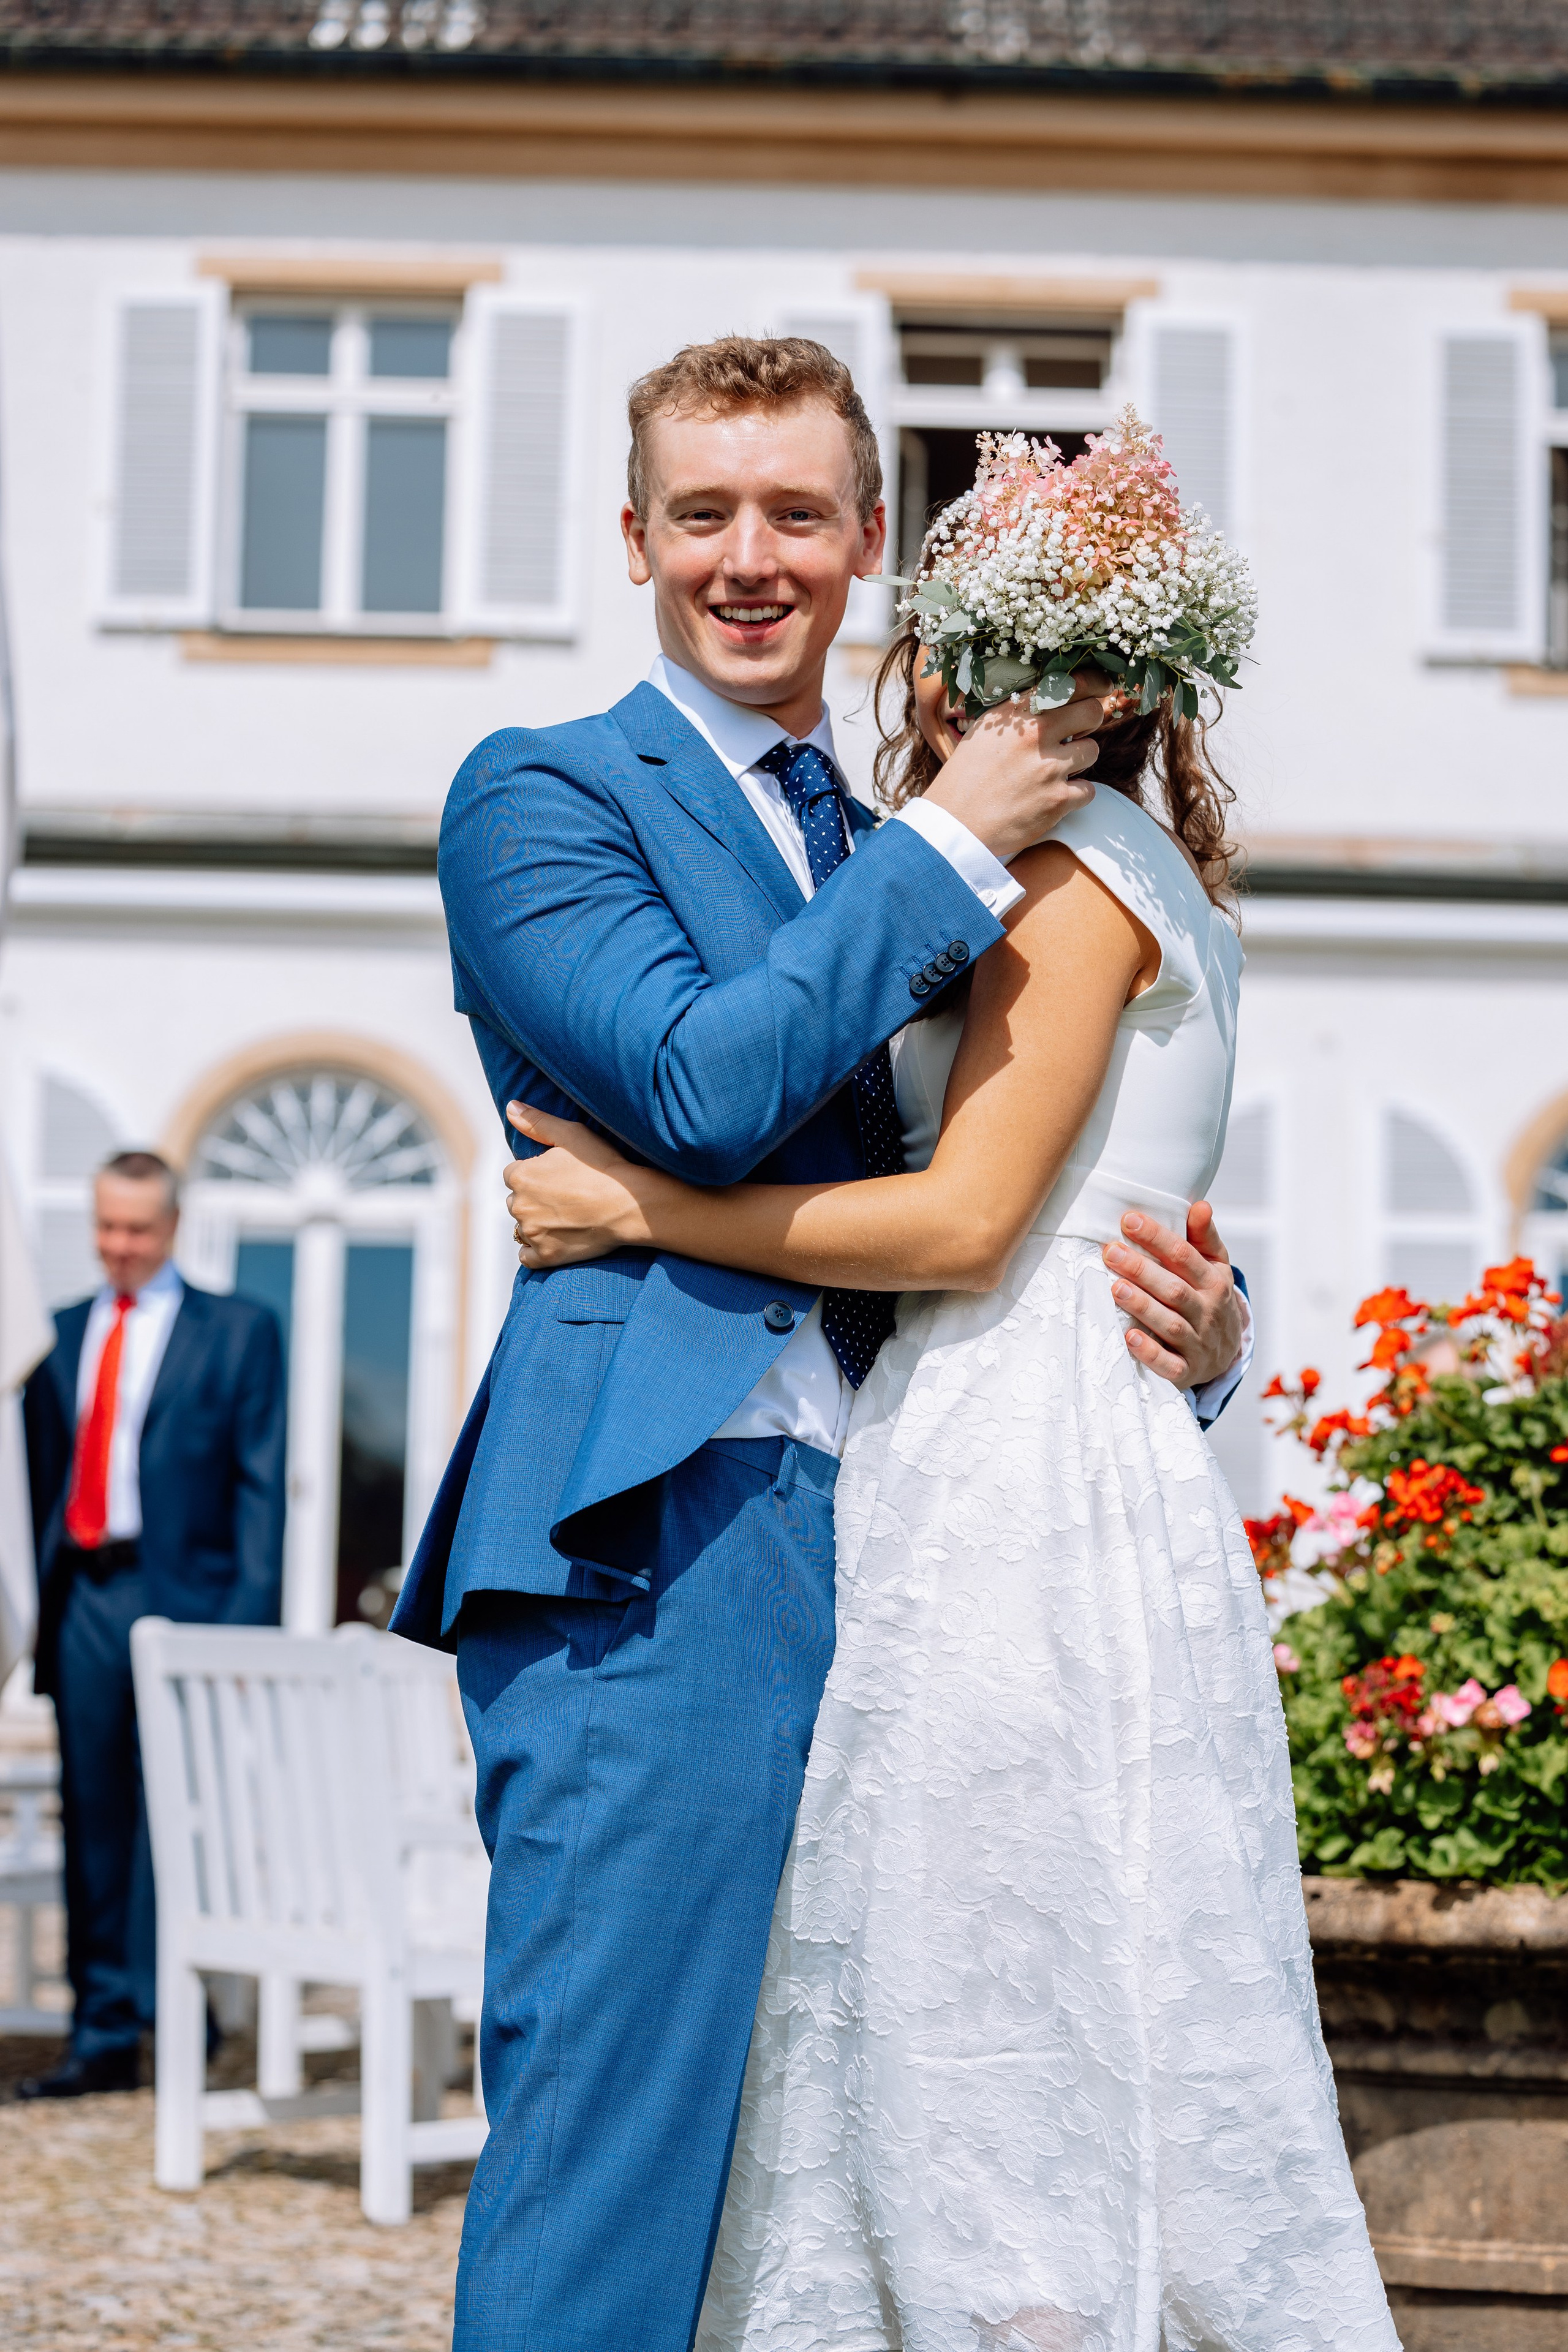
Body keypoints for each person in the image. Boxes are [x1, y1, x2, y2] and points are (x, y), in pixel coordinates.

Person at [390, 335, 1248, 2352]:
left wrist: (1195, 1335)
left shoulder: (900, 851)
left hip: (916, 1556)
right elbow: (694, 1083)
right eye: (703, 513)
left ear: (870, 540)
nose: (747, 556)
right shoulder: (545, 797)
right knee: (619, 2162)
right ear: (634, 538)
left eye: (795, 511)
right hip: (653, 1553)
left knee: (844, 2174)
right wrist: (955, 838)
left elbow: (987, 1193)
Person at [500, 626, 1397, 2348]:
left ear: (1088, 696)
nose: (939, 702)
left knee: (997, 1940)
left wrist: (639, 1210)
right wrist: (1212, 1339)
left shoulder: (1068, 878)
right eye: (945, 664)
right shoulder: (1144, 874)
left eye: (975, 668)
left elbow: (974, 1224)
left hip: (1021, 1453)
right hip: (1035, 1429)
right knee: (1019, 1932)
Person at [20, 1149, 285, 2098]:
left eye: (136, 1229)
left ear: (172, 1228)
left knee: (177, 1819)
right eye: (105, 1228)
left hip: (188, 1599)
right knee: (93, 1815)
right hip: (87, 1595)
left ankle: (179, 2011)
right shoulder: (51, 1341)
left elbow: (263, 1493)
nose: (118, 1247)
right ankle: (100, 2033)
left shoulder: (241, 1332)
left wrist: (245, 1633)